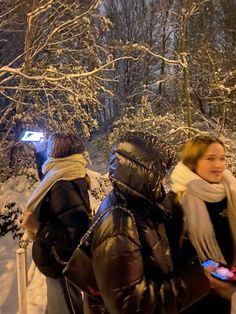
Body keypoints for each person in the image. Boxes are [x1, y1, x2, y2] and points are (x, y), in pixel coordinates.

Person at [76, 130, 212, 314]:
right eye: (159, 175)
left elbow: (157, 252)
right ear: (141, 174)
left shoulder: (138, 205)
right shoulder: (120, 224)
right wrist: (199, 279)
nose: (162, 181)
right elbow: (131, 305)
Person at [22, 132, 91, 314]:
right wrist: (39, 152)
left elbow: (74, 237)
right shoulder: (68, 173)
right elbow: (47, 179)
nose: (48, 151)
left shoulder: (63, 186)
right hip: (59, 262)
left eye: (50, 147)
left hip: (61, 265)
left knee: (64, 308)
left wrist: (38, 227)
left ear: (57, 151)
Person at [171, 134, 236, 314]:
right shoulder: (178, 200)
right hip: (198, 296)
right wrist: (223, 274)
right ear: (193, 162)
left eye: (222, 158)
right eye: (210, 159)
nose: (218, 165)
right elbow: (174, 255)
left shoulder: (231, 192)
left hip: (227, 295)